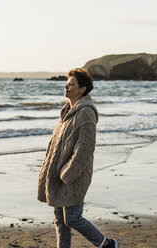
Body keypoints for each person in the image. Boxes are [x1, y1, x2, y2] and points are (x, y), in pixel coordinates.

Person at [37, 68, 118, 248]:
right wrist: (47, 170)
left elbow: (85, 147)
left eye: (71, 84)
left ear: (82, 89)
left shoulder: (86, 112)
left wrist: (68, 173)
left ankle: (106, 244)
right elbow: (54, 145)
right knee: (59, 218)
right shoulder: (66, 112)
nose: (66, 86)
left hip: (73, 175)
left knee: (72, 218)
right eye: (67, 83)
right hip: (57, 174)